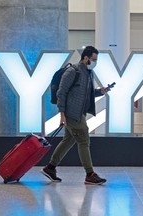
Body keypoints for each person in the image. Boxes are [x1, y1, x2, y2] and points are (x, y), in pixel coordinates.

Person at [41, 46, 109, 185]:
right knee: (84, 140)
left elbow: (87, 93)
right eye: (93, 59)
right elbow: (61, 92)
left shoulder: (89, 74)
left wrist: (100, 92)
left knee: (68, 140)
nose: (95, 62)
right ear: (85, 58)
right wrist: (62, 114)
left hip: (80, 113)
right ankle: (90, 174)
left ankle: (50, 168)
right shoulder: (73, 71)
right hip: (72, 114)